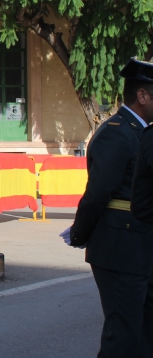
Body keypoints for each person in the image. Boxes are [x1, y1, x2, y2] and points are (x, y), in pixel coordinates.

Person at [68, 58, 153, 357]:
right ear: (142, 96)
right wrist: (80, 233)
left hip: (141, 247)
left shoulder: (141, 131)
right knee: (123, 337)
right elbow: (97, 194)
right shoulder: (118, 132)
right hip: (120, 247)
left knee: (144, 335)